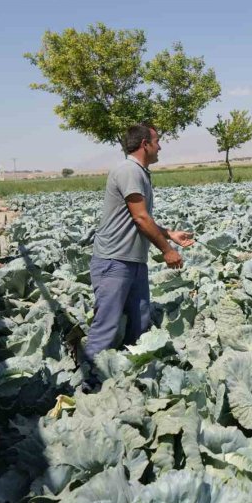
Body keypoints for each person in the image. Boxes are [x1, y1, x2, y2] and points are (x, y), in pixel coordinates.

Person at [84, 124, 195, 390]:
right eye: (157, 141)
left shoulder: (138, 172)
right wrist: (167, 251)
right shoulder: (129, 171)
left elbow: (139, 219)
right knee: (106, 326)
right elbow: (141, 218)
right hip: (114, 262)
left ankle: (130, 380)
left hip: (132, 261)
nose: (160, 147)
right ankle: (86, 385)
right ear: (145, 144)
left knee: (140, 322)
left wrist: (170, 234)